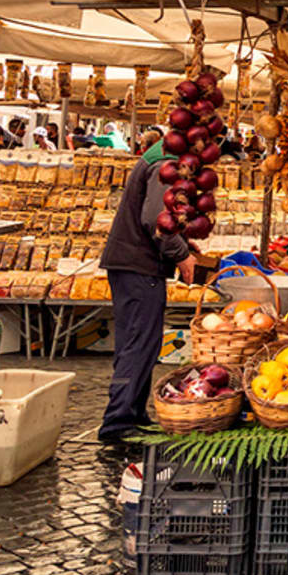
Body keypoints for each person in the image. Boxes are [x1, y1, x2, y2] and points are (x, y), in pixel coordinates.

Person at [98, 138, 200, 447]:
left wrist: (184, 245)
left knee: (142, 341)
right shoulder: (163, 164)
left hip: (136, 264)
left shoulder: (163, 157)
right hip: (137, 266)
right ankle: (118, 422)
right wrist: (180, 254)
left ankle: (133, 413)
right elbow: (157, 221)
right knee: (138, 343)